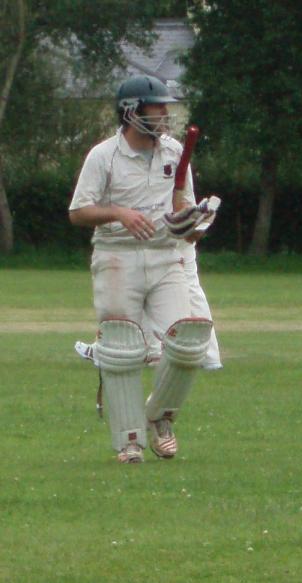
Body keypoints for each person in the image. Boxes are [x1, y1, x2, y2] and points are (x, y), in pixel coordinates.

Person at [69, 75, 213, 463]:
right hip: (117, 256)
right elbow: (78, 212)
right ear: (132, 111)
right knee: (122, 349)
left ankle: (159, 416)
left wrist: (191, 225)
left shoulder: (174, 151)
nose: (164, 113)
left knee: (188, 342)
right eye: (157, 106)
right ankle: (129, 440)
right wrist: (119, 213)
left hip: (166, 255)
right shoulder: (104, 155)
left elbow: (185, 205)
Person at [74, 238, 223, 371]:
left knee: (144, 274)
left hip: (164, 228)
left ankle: (130, 349)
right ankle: (207, 356)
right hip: (175, 226)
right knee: (185, 281)